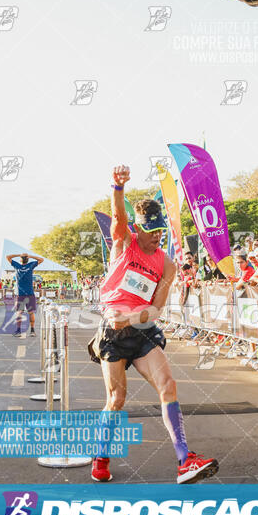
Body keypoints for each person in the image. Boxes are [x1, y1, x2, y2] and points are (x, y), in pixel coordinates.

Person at [88, 164, 218, 484]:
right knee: (116, 399)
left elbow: (157, 309)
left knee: (168, 386)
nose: (157, 236)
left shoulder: (167, 264)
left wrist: (131, 318)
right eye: (152, 230)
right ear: (139, 228)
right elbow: (118, 218)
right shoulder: (123, 242)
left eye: (161, 230)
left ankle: (185, 460)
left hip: (141, 330)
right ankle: (101, 456)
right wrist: (118, 187)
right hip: (111, 334)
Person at [6, 252, 44, 337]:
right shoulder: (30, 265)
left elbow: (8, 257)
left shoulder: (17, 266)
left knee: (19, 312)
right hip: (30, 293)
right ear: (28, 259)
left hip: (21, 294)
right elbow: (41, 259)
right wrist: (30, 256)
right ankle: (32, 331)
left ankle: (19, 331)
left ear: (20, 259)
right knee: (31, 313)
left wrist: (17, 254)